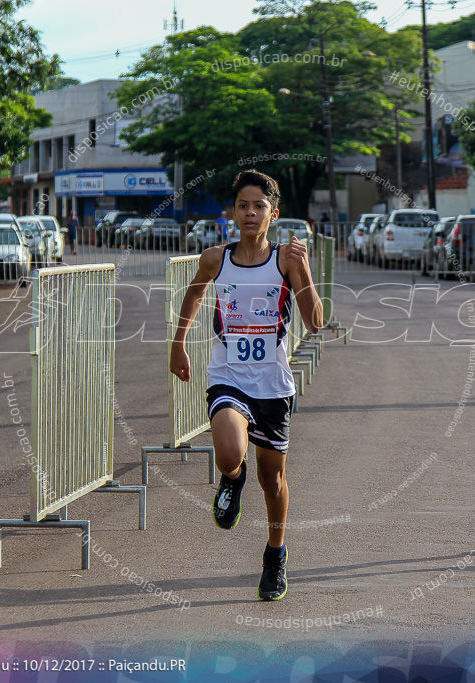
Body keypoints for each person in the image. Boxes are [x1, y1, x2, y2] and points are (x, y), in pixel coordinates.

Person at [169, 170, 323, 601]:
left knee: (272, 479)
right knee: (230, 453)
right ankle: (230, 480)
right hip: (228, 377)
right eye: (243, 205)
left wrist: (306, 270)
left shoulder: (287, 260)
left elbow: (316, 321)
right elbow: (195, 295)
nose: (250, 213)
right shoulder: (215, 258)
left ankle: (275, 555)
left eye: (259, 206)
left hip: (273, 385)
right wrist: (178, 344)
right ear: (233, 212)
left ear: (274, 214)